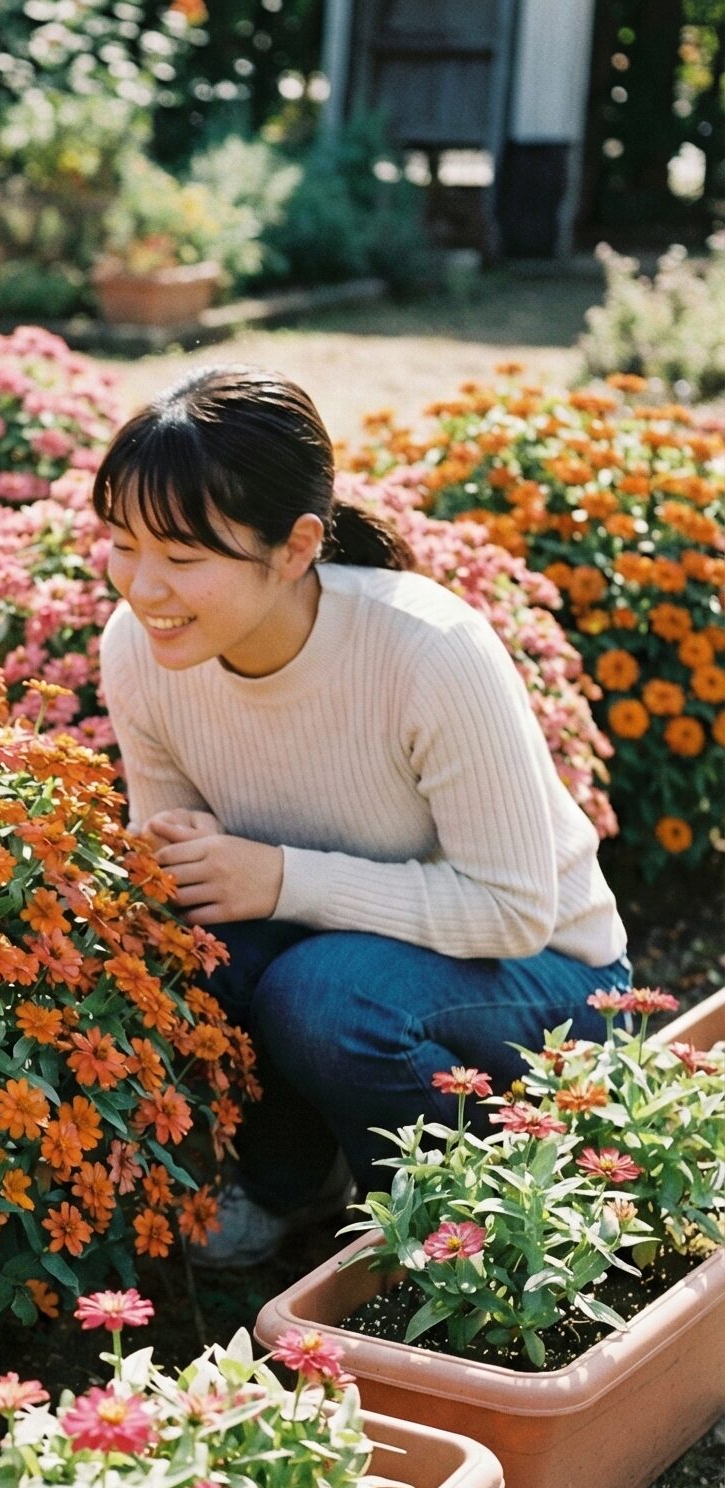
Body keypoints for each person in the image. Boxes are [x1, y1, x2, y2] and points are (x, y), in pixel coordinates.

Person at [94, 364, 630, 1268]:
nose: (143, 587)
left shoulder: (426, 649)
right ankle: (294, 1185)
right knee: (204, 950)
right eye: (121, 543)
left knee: (325, 994)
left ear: (296, 547)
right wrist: (174, 857)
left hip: (554, 978)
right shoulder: (141, 649)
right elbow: (188, 878)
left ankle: (462, 1226)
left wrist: (281, 879)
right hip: (352, 956)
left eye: (183, 559)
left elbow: (513, 909)